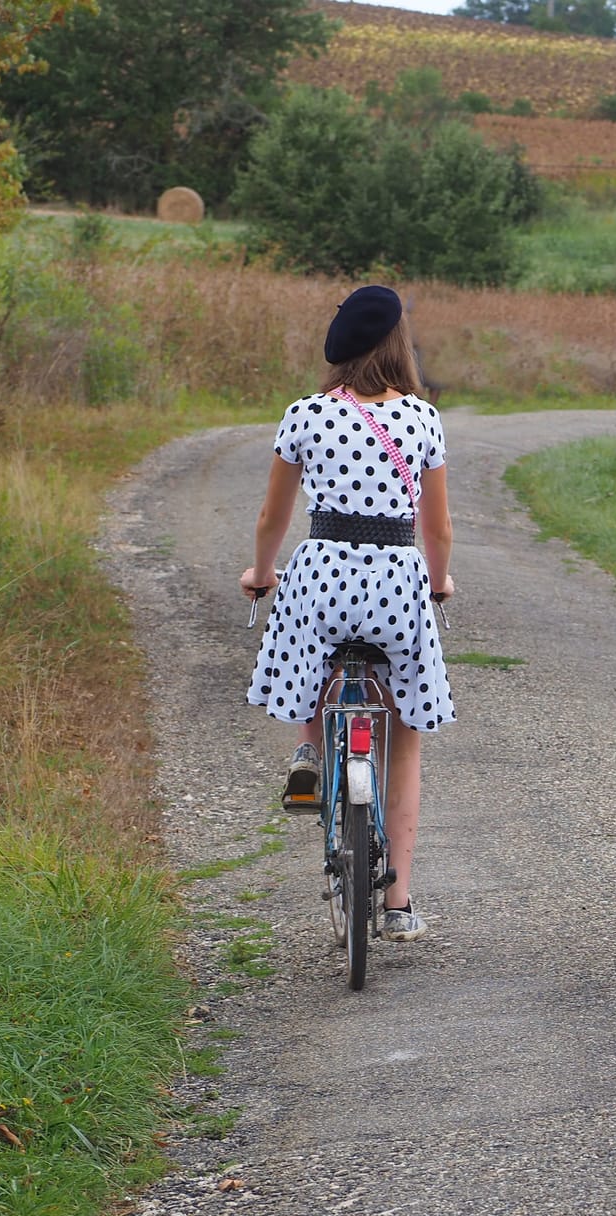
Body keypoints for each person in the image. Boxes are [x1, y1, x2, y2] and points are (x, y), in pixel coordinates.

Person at [241, 285, 454, 942]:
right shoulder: (423, 420)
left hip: (323, 573)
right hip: (397, 581)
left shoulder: (304, 414)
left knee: (306, 648)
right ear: (398, 346)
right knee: (405, 739)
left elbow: (273, 517)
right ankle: (398, 905)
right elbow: (438, 530)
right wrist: (439, 582)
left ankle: (308, 751)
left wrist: (261, 571)